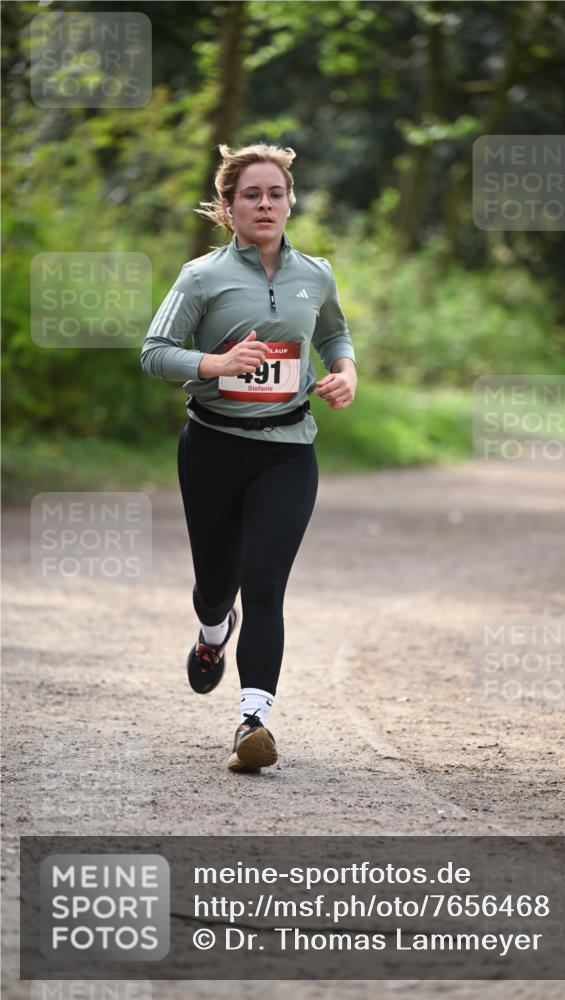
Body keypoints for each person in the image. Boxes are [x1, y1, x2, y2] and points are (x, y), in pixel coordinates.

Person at [140, 143, 357, 773]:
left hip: (287, 452)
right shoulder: (201, 277)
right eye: (251, 195)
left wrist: (344, 370)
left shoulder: (315, 273)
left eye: (276, 194)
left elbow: (334, 333)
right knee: (216, 586)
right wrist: (215, 363)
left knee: (266, 583)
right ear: (229, 206)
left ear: (291, 201)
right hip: (211, 448)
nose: (265, 204)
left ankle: (252, 722)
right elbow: (155, 351)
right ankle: (212, 633)